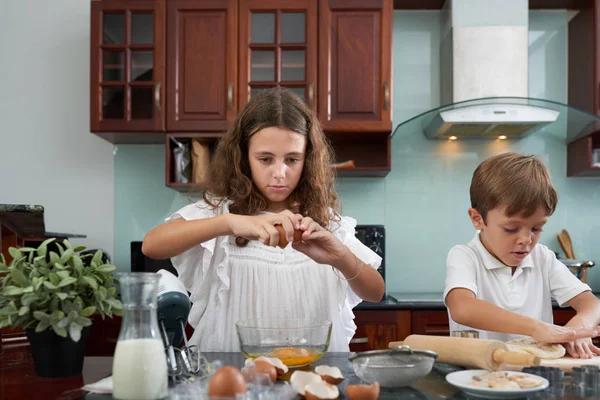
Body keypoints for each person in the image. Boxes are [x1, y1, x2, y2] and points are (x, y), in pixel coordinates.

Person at [142, 87, 385, 352]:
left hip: (315, 376)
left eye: (292, 159)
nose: (280, 173)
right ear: (243, 158)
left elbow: (375, 292)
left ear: (308, 159)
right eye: (265, 159)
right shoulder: (219, 213)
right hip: (234, 374)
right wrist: (230, 222)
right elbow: (152, 245)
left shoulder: (325, 222)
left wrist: (340, 256)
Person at [444, 152, 600, 359]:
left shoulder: (542, 258)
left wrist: (576, 329)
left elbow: (592, 304)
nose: (526, 239)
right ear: (477, 218)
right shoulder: (465, 256)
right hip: (475, 373)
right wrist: (536, 328)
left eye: (536, 228)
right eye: (511, 228)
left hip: (535, 374)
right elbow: (462, 308)